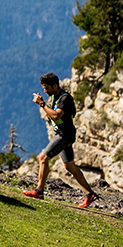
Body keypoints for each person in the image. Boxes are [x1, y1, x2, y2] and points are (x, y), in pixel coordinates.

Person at [22, 72, 98, 209]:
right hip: (64, 134)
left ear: (55, 85)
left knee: (43, 158)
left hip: (65, 135)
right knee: (69, 166)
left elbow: (56, 116)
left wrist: (41, 104)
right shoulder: (55, 97)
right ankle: (89, 193)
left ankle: (39, 191)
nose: (45, 91)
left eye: (46, 88)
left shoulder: (64, 99)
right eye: (43, 88)